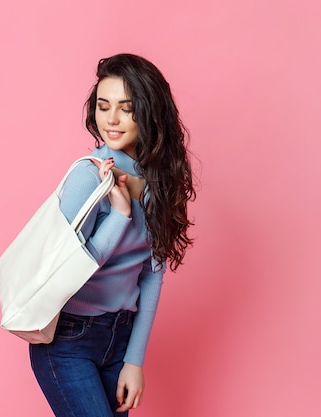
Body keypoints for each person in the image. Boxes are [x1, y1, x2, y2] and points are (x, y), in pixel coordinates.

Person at [29, 53, 195, 417]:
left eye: (126, 107)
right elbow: (64, 270)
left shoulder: (159, 183)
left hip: (119, 337)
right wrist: (119, 217)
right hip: (68, 340)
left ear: (149, 111)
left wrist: (134, 361)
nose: (112, 120)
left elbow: (152, 273)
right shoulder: (90, 178)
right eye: (104, 107)